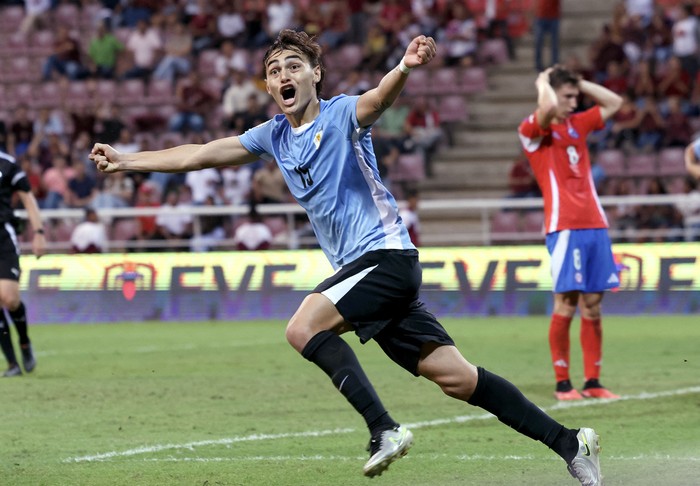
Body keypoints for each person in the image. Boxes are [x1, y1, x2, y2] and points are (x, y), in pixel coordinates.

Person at [91, 30, 604, 485]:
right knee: (458, 379)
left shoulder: (341, 114)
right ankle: (570, 443)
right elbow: (199, 153)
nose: (283, 75)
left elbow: (379, 98)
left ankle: (384, 428)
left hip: (385, 257)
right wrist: (128, 160)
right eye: (274, 71)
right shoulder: (272, 136)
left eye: (294, 65)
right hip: (368, 274)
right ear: (269, 89)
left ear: (315, 74)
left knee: (300, 328)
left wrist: (403, 67)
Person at [518, 66, 623, 402]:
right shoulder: (534, 133)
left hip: (595, 223)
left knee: (593, 304)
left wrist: (581, 83)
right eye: (568, 96)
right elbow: (547, 109)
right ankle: (563, 383)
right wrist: (542, 83)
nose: (573, 102)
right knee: (566, 302)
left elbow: (615, 103)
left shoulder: (578, 124)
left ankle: (593, 382)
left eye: (575, 97)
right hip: (564, 227)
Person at [0, 150, 45, 377]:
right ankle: (12, 364)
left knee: (9, 298)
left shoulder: (7, 164)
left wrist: (38, 232)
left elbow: (28, 197)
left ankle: (25, 343)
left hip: (3, 237)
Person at [534, 0, 561, 72]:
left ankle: (555, 64)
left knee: (554, 43)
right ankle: (538, 65)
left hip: (553, 17)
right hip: (541, 16)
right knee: (538, 42)